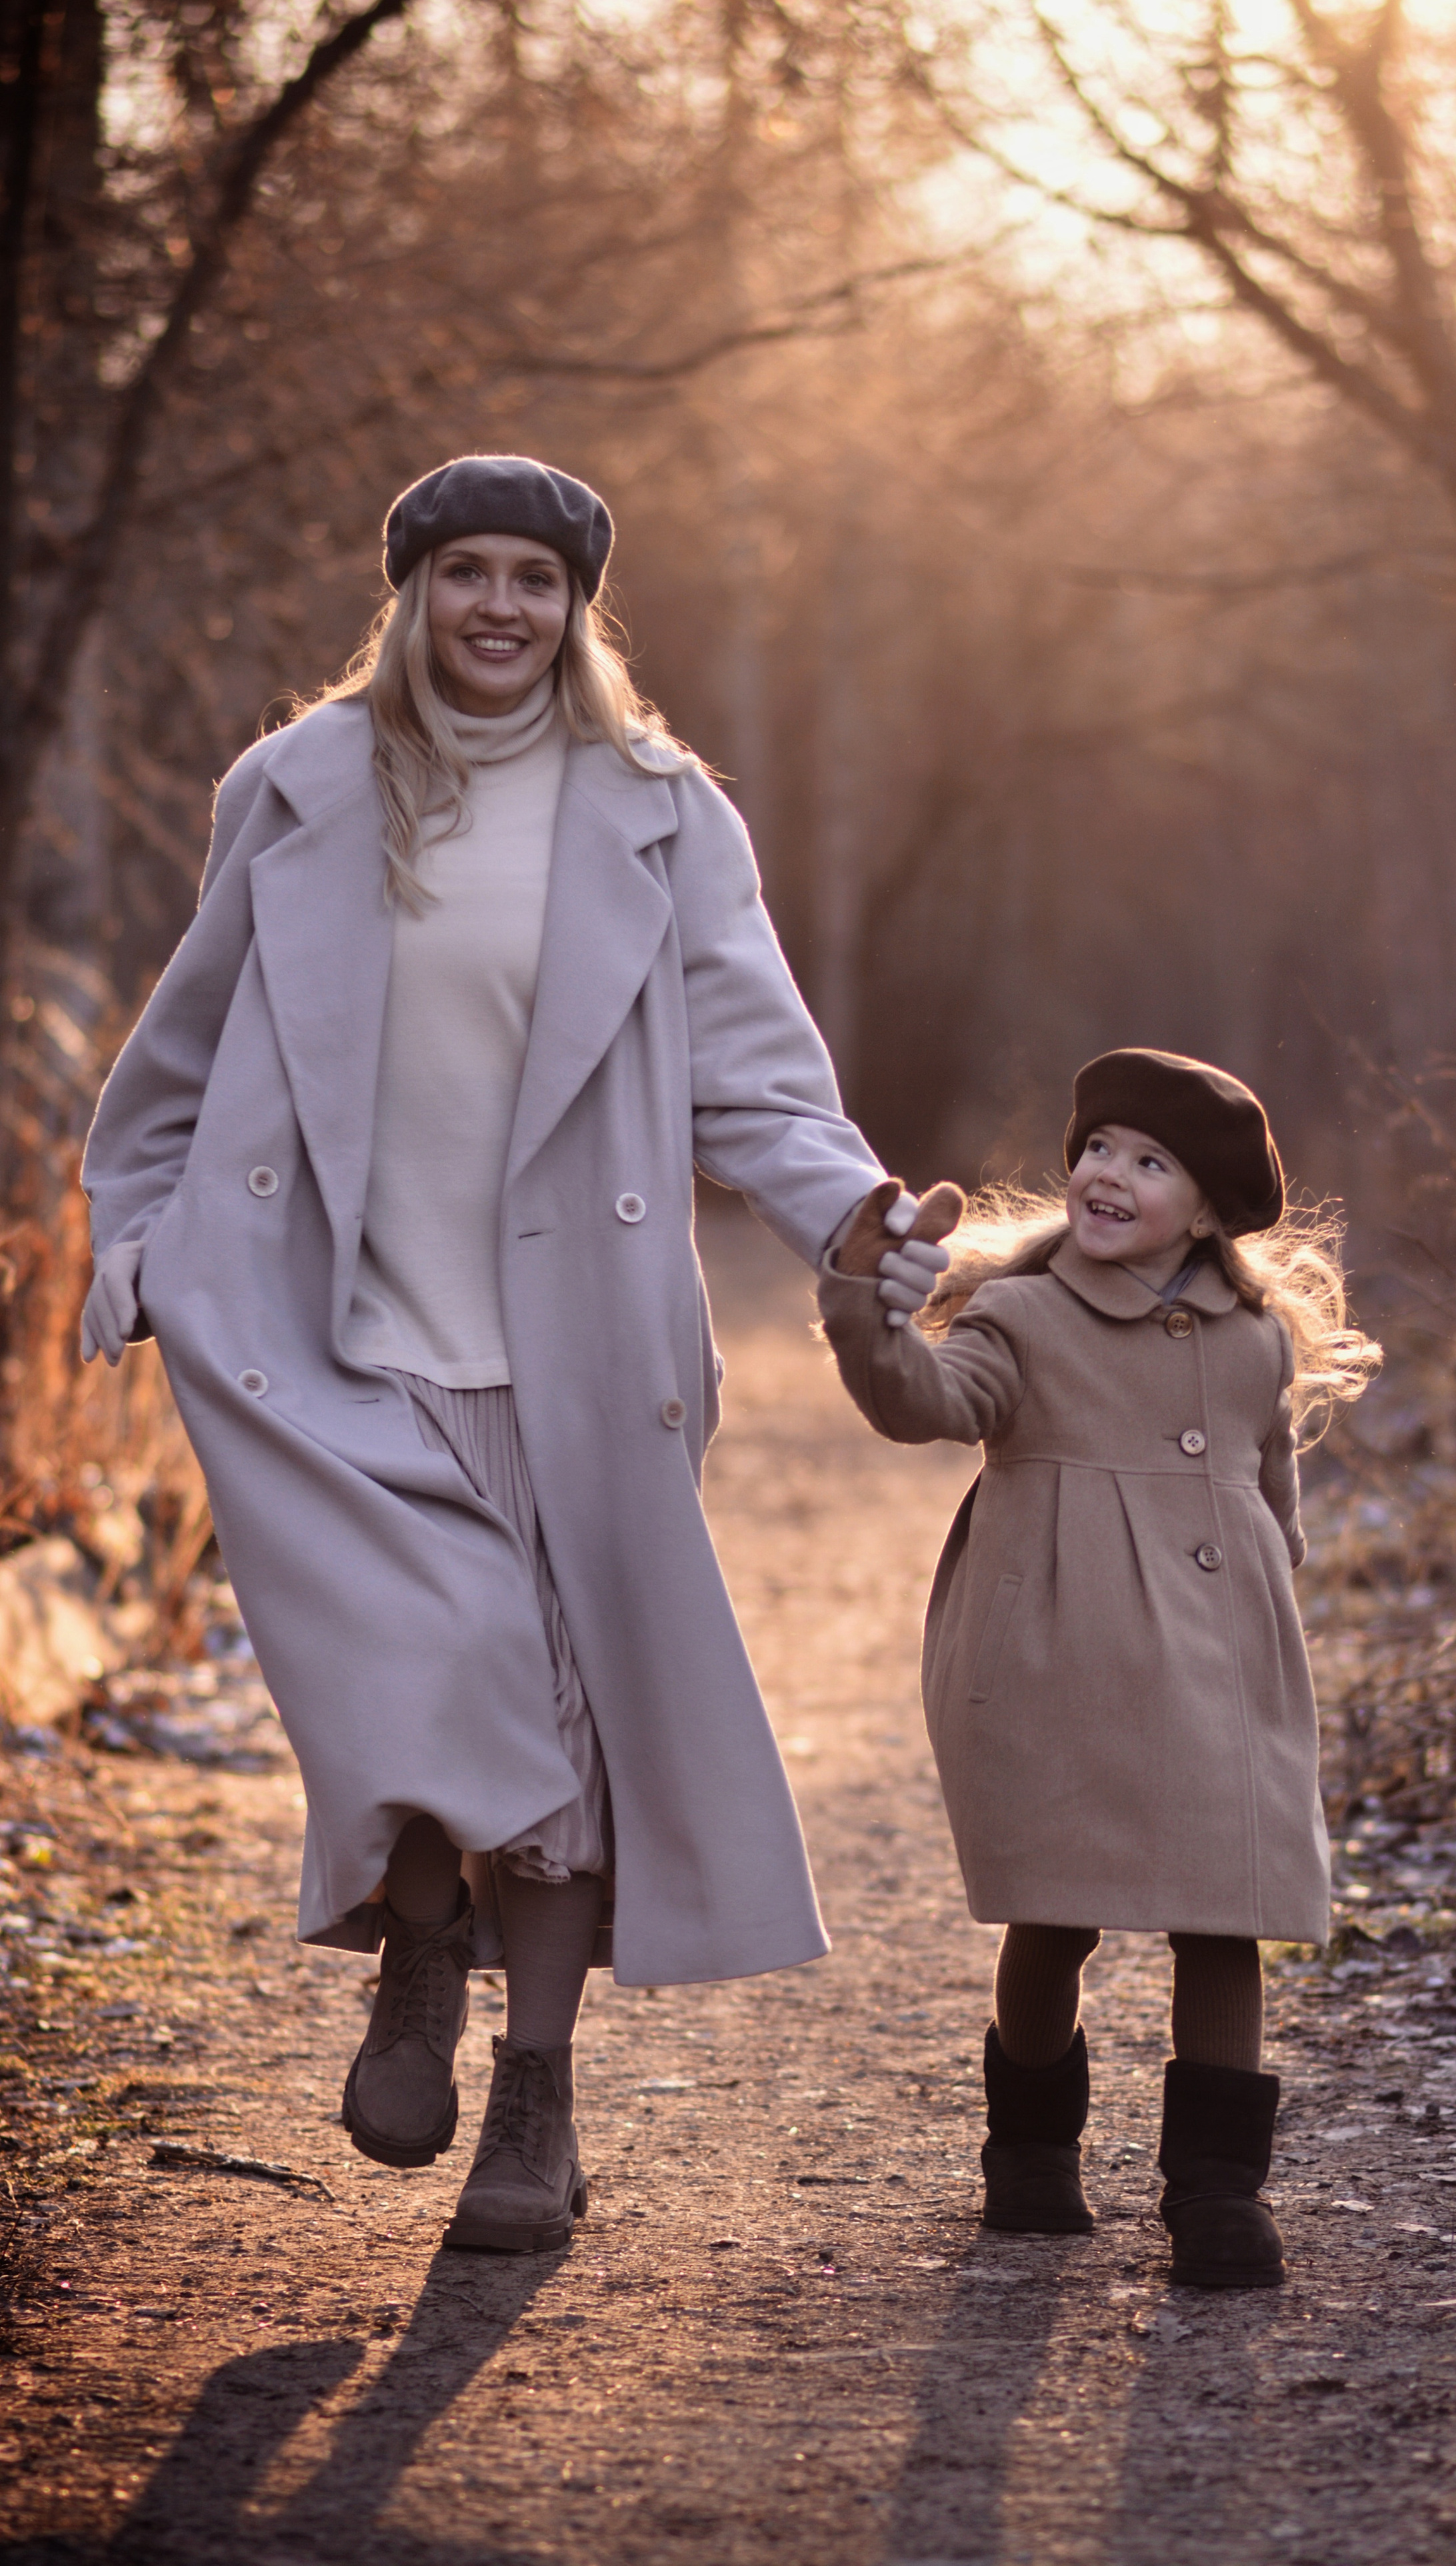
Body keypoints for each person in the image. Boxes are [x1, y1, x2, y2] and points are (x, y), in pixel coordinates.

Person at [79, 454, 947, 2255]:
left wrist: (850, 1213)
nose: (498, 608)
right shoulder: (299, 786)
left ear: (579, 608)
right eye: (463, 572)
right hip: (335, 1338)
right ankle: (416, 1916)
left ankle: (532, 2102)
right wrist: (144, 1247)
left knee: (565, 1723)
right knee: (432, 1664)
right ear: (407, 593)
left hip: (572, 1344)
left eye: (535, 582)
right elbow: (183, 1041)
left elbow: (757, 1071)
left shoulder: (656, 809)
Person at [819, 1049, 1380, 2286]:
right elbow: (924, 1400)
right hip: (1054, 1651)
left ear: (1211, 1210)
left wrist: (1271, 1571)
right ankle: (1029, 2155)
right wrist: (864, 1306)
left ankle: (1220, 2195)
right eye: (1098, 1148)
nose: (1107, 1174)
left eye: (1149, 1160)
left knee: (1226, 1912)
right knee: (1054, 1911)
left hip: (1222, 1664)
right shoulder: (1022, 1315)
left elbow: (1269, 1479)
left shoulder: (1251, 1340)